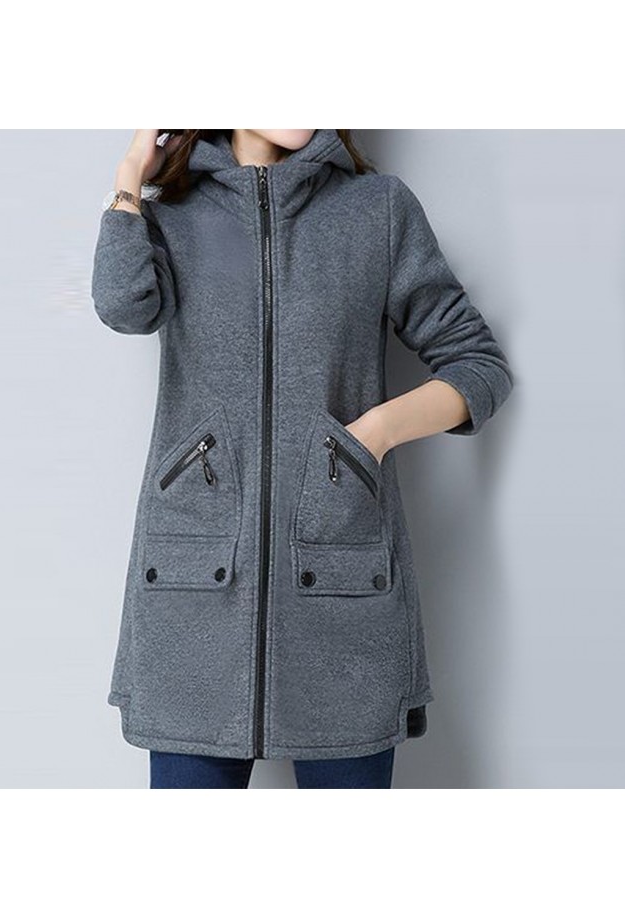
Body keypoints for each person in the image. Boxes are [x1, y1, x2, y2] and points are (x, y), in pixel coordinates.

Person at [91, 129, 514, 789]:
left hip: (344, 595)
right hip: (191, 597)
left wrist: (372, 432)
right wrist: (129, 179)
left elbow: (479, 365)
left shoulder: (377, 210)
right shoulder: (170, 216)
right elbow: (123, 306)